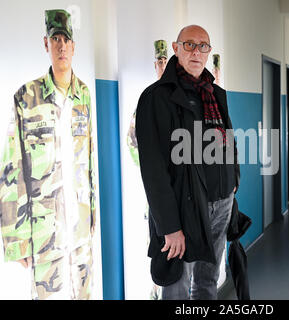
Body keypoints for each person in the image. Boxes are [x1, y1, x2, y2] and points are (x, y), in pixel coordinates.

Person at [135, 25, 239, 300]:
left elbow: (229, 140)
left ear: (209, 52)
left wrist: (234, 180)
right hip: (184, 209)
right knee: (178, 286)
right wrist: (169, 227)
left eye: (203, 46)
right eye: (189, 45)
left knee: (209, 280)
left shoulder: (216, 94)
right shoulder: (155, 98)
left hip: (222, 204)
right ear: (175, 48)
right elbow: (153, 170)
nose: (196, 51)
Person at [0, 9, 96, 300]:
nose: (61, 45)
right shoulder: (26, 98)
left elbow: (89, 161)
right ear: (46, 44)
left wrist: (92, 216)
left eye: (66, 39)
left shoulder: (84, 94)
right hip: (44, 232)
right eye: (56, 38)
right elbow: (12, 168)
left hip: (80, 231)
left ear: (74, 46)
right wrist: (16, 240)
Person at [126, 39, 169, 300]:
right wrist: (155, 166)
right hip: (155, 194)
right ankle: (157, 291)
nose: (164, 66)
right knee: (158, 252)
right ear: (156, 65)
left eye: (167, 62)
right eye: (160, 62)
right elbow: (132, 141)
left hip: (182, 194)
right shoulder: (148, 100)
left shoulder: (183, 96)